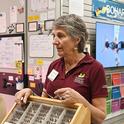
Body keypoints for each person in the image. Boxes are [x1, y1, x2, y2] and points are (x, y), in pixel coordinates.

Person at [15, 14, 108, 124]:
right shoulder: (54, 65)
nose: (54, 41)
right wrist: (31, 95)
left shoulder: (95, 68)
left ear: (77, 39)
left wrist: (80, 101)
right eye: (54, 36)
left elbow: (100, 118)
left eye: (61, 36)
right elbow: (45, 102)